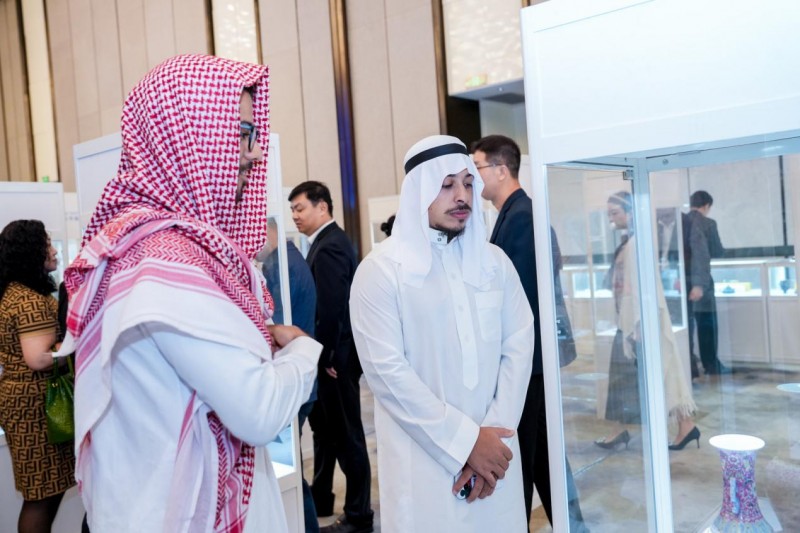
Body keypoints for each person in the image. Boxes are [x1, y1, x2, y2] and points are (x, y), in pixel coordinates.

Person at [60, 54, 321, 532]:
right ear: (190, 140)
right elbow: (260, 410)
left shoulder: (162, 251)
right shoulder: (163, 261)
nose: (255, 154)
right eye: (242, 134)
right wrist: (304, 350)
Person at [350, 135, 534, 532]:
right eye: (447, 185)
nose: (462, 196)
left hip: (497, 457)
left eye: (468, 183)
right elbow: (388, 374)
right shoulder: (381, 271)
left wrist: (493, 442)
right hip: (425, 463)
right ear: (418, 191)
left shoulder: (495, 263)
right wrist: (466, 443)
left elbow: (519, 344)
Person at [471, 134, 588, 532]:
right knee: (541, 454)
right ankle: (573, 525)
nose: (472, 178)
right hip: (533, 358)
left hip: (530, 359)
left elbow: (518, 298)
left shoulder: (521, 216)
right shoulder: (517, 213)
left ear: (501, 169)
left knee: (523, 453)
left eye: (476, 168)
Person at [288, 181, 373, 533]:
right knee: (324, 434)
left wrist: (324, 359)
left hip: (335, 361)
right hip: (330, 358)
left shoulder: (331, 246)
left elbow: (332, 310)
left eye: (300, 208)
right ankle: (322, 498)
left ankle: (359, 516)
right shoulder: (323, 243)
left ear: (322, 207)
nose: (295, 216)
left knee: (347, 437)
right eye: (292, 210)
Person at [597, 191, 699, 452]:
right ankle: (681, 425)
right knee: (651, 372)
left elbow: (639, 287)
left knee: (651, 373)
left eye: (615, 213)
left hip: (637, 323)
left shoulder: (636, 244)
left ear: (630, 213)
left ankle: (683, 424)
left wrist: (638, 325)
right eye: (609, 214)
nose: (611, 219)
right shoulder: (632, 242)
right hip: (635, 320)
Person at [0, 219, 75, 533]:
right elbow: (39, 358)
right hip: (36, 406)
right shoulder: (28, 299)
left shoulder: (13, 292)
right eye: (46, 244)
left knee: (44, 491)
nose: (53, 250)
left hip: (26, 402)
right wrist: (72, 344)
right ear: (30, 252)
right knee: (43, 495)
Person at [257, 218, 320, 533]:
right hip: (297, 378)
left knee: (286, 471)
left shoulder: (280, 267)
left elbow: (276, 330)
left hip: (290, 381)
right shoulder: (289, 261)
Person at [683, 190, 728, 375]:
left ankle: (690, 365)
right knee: (707, 324)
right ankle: (710, 364)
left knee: (687, 326)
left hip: (683, 281)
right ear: (707, 205)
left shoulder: (682, 221)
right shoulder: (708, 223)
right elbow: (716, 251)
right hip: (702, 283)